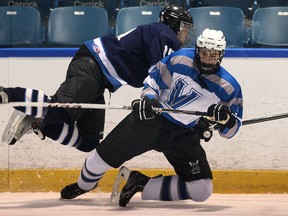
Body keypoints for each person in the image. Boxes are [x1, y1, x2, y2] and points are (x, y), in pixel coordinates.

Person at [60, 28, 243, 207]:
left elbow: (231, 131)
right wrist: (148, 99)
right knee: (96, 161)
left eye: (213, 54)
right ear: (197, 50)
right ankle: (84, 185)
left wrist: (227, 120)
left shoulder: (229, 87)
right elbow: (153, 81)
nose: (208, 58)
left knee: (202, 189)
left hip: (183, 133)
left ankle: (139, 183)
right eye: (204, 53)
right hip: (152, 119)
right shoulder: (180, 58)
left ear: (221, 54)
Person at [0, 5, 193, 152]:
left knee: (89, 141)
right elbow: (158, 75)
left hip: (100, 78)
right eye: (185, 27)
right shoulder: (165, 34)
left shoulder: (160, 35)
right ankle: (7, 94)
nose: (186, 33)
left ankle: (38, 122)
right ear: (173, 23)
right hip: (93, 66)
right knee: (59, 112)